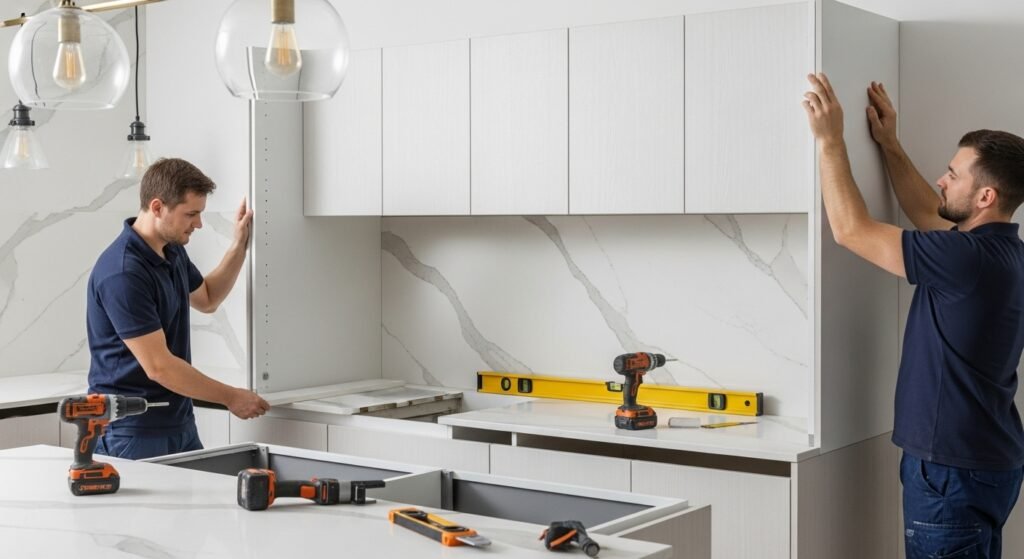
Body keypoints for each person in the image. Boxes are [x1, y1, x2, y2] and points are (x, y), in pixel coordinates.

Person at [802, 73, 1024, 558]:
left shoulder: (965, 259)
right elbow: (930, 210)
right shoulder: (1001, 252)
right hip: (987, 461)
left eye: (954, 172)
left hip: (949, 471)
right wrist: (889, 145)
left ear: (986, 197)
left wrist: (830, 140)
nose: (943, 178)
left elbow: (851, 230)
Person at [87, 157, 270, 460]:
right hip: (131, 430)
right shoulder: (123, 273)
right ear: (157, 207)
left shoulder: (171, 252)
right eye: (191, 214)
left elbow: (208, 298)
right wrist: (231, 397)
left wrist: (239, 245)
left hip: (178, 421)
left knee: (194, 508)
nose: (198, 223)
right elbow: (158, 366)